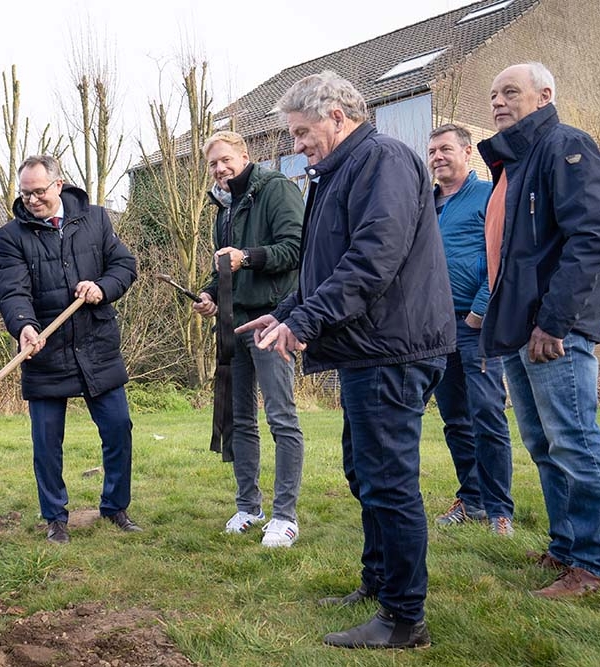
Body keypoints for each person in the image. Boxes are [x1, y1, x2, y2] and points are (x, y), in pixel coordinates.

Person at [238, 71, 454, 649]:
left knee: (389, 482)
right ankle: (379, 583)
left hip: (393, 347)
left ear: (336, 114)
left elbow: (372, 260)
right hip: (369, 348)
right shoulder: (338, 172)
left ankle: (405, 619)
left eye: (302, 131)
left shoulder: (381, 160)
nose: (296, 145)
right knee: (366, 473)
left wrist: (302, 323)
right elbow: (323, 266)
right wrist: (284, 310)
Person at [478, 62, 600, 598]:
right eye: (493, 95)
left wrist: (554, 321)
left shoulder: (565, 145)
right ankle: (567, 549)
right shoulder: (514, 162)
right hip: (517, 331)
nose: (498, 102)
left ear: (545, 94)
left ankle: (593, 566)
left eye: (510, 92)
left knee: (574, 443)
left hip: (554, 331)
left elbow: (589, 237)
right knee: (542, 444)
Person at [0, 155, 139, 545]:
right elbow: (12, 290)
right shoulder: (11, 236)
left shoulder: (95, 219)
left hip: (97, 346)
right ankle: (55, 518)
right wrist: (25, 325)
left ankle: (115, 507)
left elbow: (125, 265)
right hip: (45, 351)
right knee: (46, 441)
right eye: (25, 193)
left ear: (58, 185)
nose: (32, 200)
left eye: (39, 191)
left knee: (118, 429)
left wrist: (101, 287)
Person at [193, 131, 305, 548]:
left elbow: (296, 249)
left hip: (272, 321)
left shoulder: (276, 190)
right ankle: (249, 507)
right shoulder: (222, 207)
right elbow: (227, 266)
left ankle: (285, 516)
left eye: (226, 160)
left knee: (281, 418)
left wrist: (247, 257)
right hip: (233, 323)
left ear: (245, 155)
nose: (220, 169)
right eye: (212, 164)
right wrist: (208, 293)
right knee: (239, 420)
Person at [427, 124, 515, 536]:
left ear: (466, 153)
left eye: (445, 149)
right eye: (432, 151)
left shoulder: (487, 197)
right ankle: (472, 497)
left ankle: (500, 509)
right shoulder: (424, 204)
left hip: (475, 326)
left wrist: (479, 311)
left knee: (486, 413)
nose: (437, 156)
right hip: (436, 328)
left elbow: (499, 254)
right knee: (455, 418)